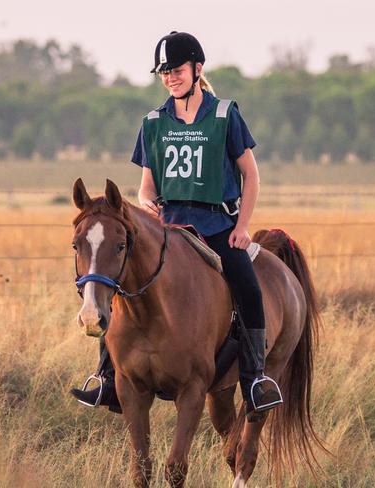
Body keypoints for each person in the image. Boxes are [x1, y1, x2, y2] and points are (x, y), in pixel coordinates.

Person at [71, 31, 282, 420]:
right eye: (164, 72)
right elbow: (147, 187)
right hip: (167, 226)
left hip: (216, 224)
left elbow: (251, 176)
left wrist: (243, 226)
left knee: (248, 286)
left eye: (177, 70)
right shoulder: (153, 122)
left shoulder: (224, 115)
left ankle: (254, 379)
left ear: (197, 69)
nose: (170, 78)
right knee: (116, 282)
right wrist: (148, 205)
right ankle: (106, 375)